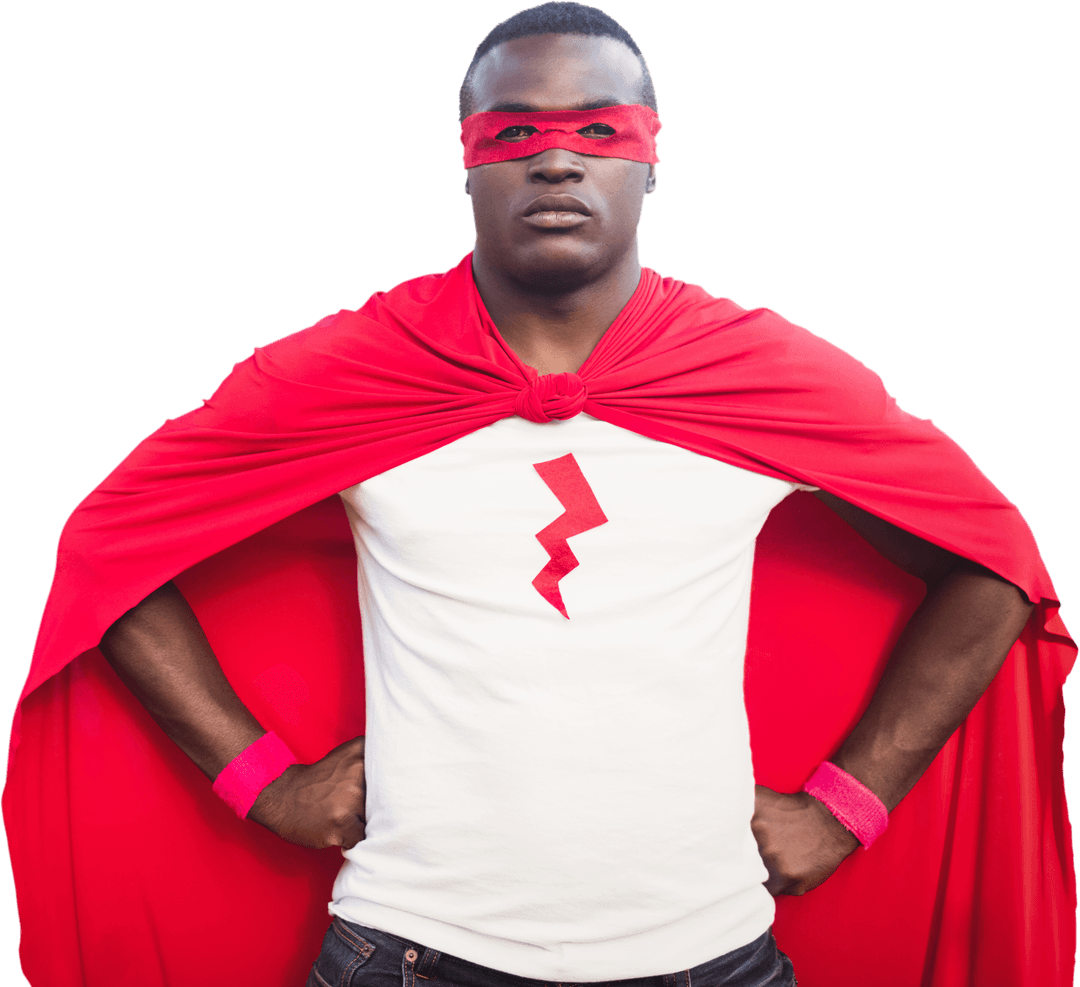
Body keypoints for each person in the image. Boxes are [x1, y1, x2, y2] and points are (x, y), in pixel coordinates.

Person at [3, 4, 1074, 987]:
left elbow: (990, 561)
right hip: (409, 947)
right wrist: (259, 780)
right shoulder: (357, 367)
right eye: (512, 133)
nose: (557, 157)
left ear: (653, 164)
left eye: (599, 132)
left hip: (708, 951)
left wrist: (850, 805)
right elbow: (111, 544)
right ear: (464, 166)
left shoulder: (760, 371)